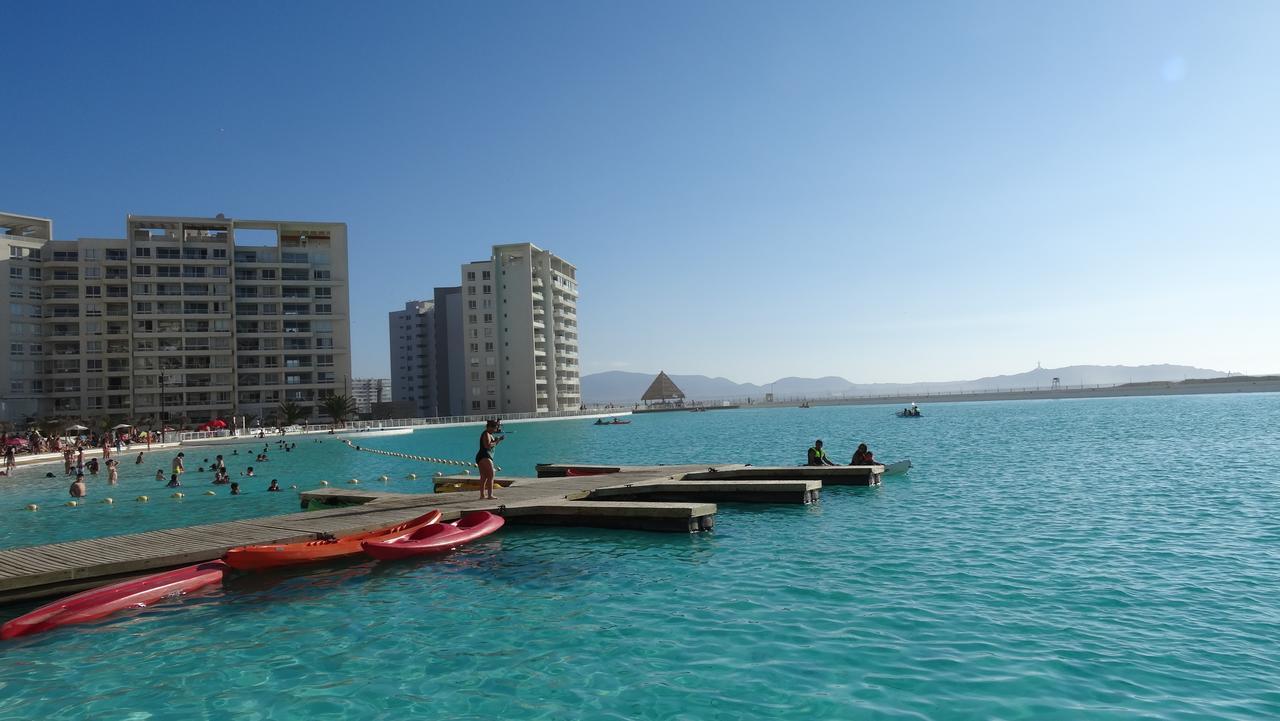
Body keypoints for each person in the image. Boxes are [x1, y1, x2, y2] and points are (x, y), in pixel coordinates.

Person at [476, 419, 504, 500]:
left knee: (484, 476)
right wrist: (496, 441)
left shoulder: (489, 434)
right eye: (495, 428)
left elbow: (493, 445)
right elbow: (487, 446)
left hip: (482, 456)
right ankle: (490, 495)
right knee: (491, 475)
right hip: (485, 456)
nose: (496, 430)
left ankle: (482, 495)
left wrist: (498, 440)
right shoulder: (486, 434)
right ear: (490, 427)